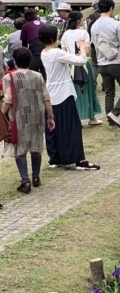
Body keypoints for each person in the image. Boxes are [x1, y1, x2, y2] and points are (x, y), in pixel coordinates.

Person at [39, 26, 100, 170]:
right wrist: (82, 48)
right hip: (64, 93)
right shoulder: (56, 52)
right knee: (72, 127)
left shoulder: (44, 52)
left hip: (51, 93)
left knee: (53, 126)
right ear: (54, 38)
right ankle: (78, 159)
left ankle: (55, 158)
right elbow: (81, 61)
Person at [2, 47, 56, 193]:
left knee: (20, 148)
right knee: (36, 144)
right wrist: (50, 117)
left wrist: (2, 115)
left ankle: (25, 181)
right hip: (37, 115)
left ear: (15, 60)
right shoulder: (38, 76)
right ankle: (36, 177)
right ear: (30, 59)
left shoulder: (9, 78)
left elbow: (8, 99)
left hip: (19, 116)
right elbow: (46, 98)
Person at [92, 0, 120, 129]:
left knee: (109, 93)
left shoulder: (94, 26)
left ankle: (111, 123)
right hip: (117, 62)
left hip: (102, 63)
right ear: (111, 8)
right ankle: (115, 113)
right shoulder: (115, 24)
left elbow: (94, 45)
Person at [60, 12, 103, 126]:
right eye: (82, 19)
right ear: (78, 21)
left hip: (70, 65)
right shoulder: (83, 33)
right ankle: (91, 117)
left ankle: (77, 118)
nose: (83, 21)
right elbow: (87, 50)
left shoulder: (65, 34)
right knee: (89, 90)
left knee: (74, 92)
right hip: (83, 63)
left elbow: (63, 52)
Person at [20, 9, 46, 79]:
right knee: (45, 71)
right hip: (44, 46)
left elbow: (24, 43)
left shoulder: (25, 26)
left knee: (32, 72)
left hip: (34, 47)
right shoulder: (43, 24)